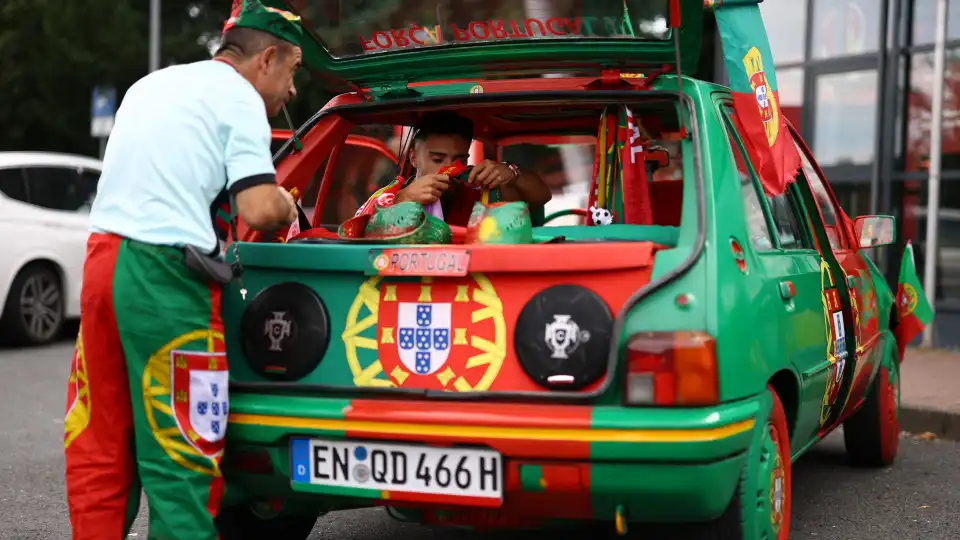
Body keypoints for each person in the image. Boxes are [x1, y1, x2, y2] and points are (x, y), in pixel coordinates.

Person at [62, 1, 302, 538]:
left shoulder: (152, 84)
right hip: (166, 281)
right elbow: (260, 208)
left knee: (100, 445)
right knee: (182, 456)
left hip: (103, 266)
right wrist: (287, 203)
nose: (291, 92)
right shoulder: (239, 97)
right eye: (292, 71)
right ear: (266, 59)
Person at [358, 111, 552, 226]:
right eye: (437, 158)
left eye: (459, 159)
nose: (449, 168)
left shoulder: (479, 190)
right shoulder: (391, 196)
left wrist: (512, 173)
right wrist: (404, 200)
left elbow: (542, 195)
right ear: (414, 158)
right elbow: (358, 234)